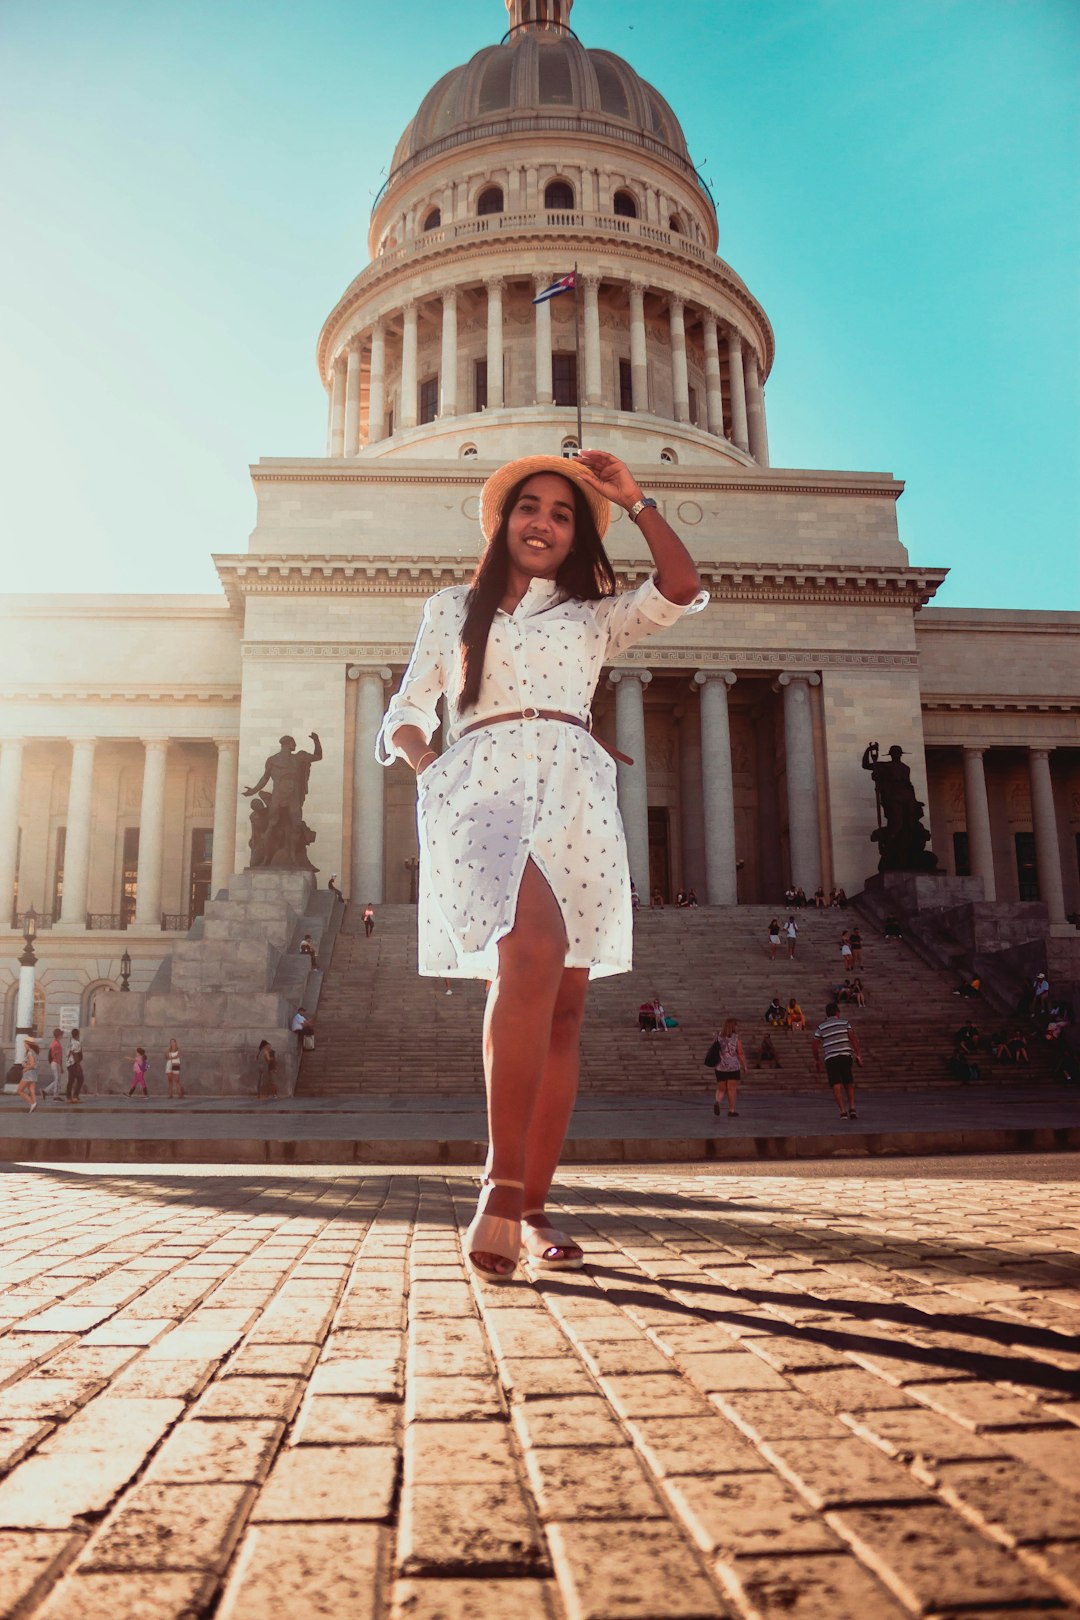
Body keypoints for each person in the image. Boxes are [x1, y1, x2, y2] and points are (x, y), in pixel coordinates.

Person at [375, 447, 704, 1282]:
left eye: (563, 514)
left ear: (574, 537)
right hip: (481, 787)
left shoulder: (592, 616)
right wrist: (427, 765)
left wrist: (635, 501)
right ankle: (500, 1184)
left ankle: (533, 1206)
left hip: (575, 795)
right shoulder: (454, 607)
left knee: (563, 1003)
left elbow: (676, 587)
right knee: (525, 955)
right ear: (503, 520)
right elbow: (409, 707)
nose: (544, 523)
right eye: (531, 507)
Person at [812, 1000, 864, 1120]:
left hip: (831, 1058)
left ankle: (842, 1112)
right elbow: (853, 1039)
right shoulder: (845, 1023)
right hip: (845, 1056)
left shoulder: (821, 1027)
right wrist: (858, 1054)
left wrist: (817, 1060)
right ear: (837, 1013)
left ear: (827, 1014)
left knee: (836, 1085)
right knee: (848, 1083)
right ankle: (852, 1108)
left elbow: (814, 1045)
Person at [712, 1017, 746, 1117]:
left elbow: (714, 1050)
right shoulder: (736, 1038)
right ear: (733, 1026)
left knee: (721, 1088)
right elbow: (740, 1053)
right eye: (736, 1025)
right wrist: (745, 1065)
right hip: (733, 1066)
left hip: (720, 1066)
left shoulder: (718, 1036)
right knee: (732, 1089)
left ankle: (717, 1101)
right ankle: (731, 1110)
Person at [15, 1039, 39, 1113]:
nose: (24, 1046)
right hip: (33, 1074)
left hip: (28, 1074)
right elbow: (33, 1064)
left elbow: (32, 1064)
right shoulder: (34, 1052)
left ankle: (32, 1103)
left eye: (25, 1044)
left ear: (29, 1044)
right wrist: (26, 1064)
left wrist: (25, 1068)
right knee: (32, 1090)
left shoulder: (30, 1052)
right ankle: (34, 1103)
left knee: (19, 1090)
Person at [66, 1028, 84, 1104]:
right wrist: (78, 1065)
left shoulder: (69, 1042)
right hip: (74, 1064)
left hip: (69, 1064)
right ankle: (74, 1096)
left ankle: (70, 1097)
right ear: (77, 1035)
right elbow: (75, 1053)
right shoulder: (76, 1043)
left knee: (71, 1080)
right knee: (80, 1079)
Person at [45, 1028, 64, 1101]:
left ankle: (46, 1091)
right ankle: (55, 1095)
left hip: (56, 1063)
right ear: (59, 1035)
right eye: (61, 1034)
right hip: (55, 1063)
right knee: (56, 1079)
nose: (62, 1036)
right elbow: (57, 1056)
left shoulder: (56, 1043)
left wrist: (61, 1066)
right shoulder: (56, 1044)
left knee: (57, 1079)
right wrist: (61, 1066)